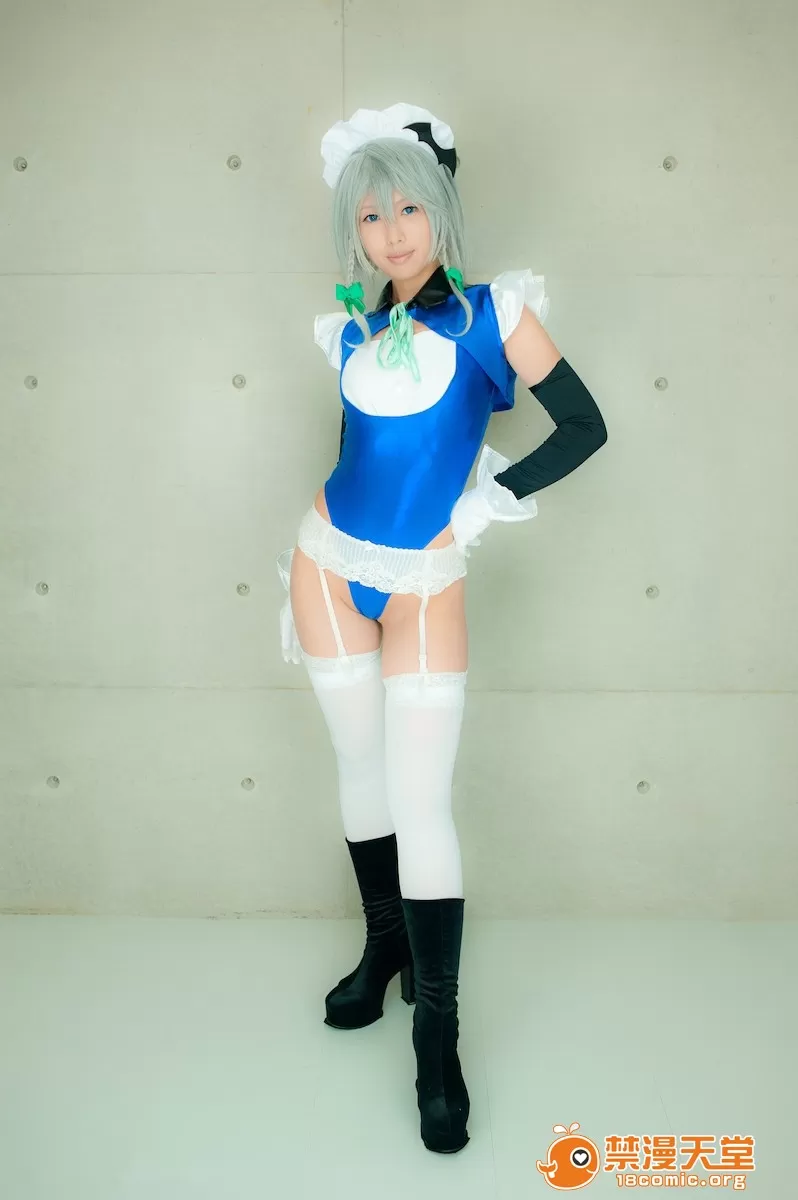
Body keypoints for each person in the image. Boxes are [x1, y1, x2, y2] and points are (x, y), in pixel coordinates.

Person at [275, 103, 608, 1155]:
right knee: (359, 765)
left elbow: (586, 425)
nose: (392, 233)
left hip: (426, 580)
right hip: (327, 564)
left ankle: (437, 1035)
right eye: (370, 215)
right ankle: (385, 949)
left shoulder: (494, 314)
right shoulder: (352, 329)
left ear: (442, 207)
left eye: (410, 207)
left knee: (422, 799)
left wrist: (488, 501)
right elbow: (359, 452)